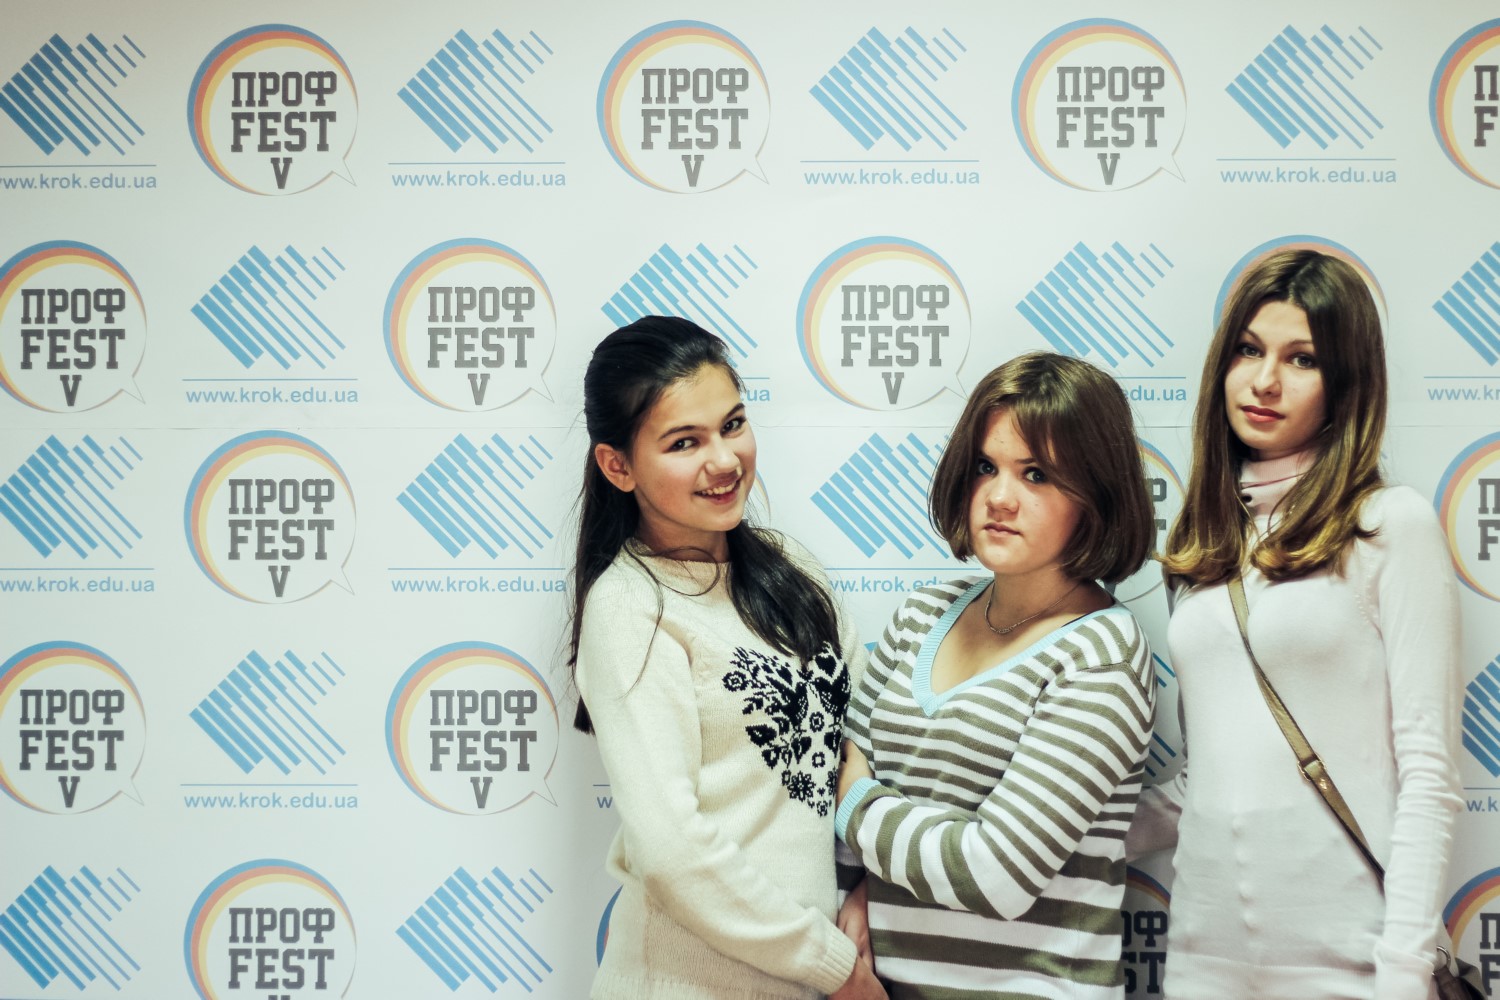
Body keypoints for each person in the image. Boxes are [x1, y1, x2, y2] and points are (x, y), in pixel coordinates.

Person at [1129, 249, 1463, 999]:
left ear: (1345, 383)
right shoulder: (1206, 548)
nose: (1265, 381)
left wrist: (1404, 970)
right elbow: (1206, 781)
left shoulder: (1388, 525)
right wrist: (1055, 839)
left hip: (1352, 962)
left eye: (1302, 359)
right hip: (1202, 961)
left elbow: (1429, 773)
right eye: (1249, 350)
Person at [569, 316, 885, 999]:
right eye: (684, 442)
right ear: (618, 466)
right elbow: (672, 851)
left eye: (732, 425)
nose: (724, 460)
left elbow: (864, 736)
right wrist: (834, 966)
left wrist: (868, 887)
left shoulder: (793, 572)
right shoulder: (630, 607)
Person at [835, 352, 1158, 998]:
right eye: (986, 466)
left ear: (1096, 495)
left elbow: (995, 875)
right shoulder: (922, 614)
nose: (1000, 497)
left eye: (1036, 474)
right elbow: (843, 794)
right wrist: (860, 900)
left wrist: (857, 805)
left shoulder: (1101, 653)